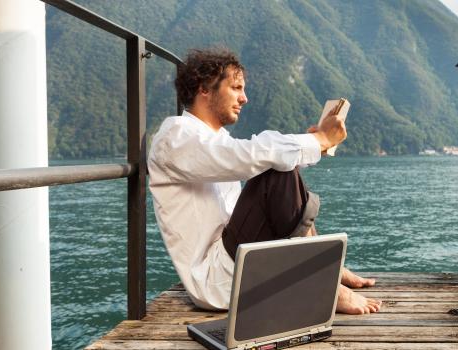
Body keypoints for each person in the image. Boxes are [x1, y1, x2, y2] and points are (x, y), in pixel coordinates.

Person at [148, 48, 381, 315]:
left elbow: (254, 157)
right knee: (276, 164)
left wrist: (309, 145)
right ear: (204, 88)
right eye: (236, 87)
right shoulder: (175, 136)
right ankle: (324, 282)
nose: (244, 98)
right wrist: (318, 141)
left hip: (238, 259)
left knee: (280, 162)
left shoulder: (214, 141)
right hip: (216, 280)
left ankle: (327, 269)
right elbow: (254, 155)